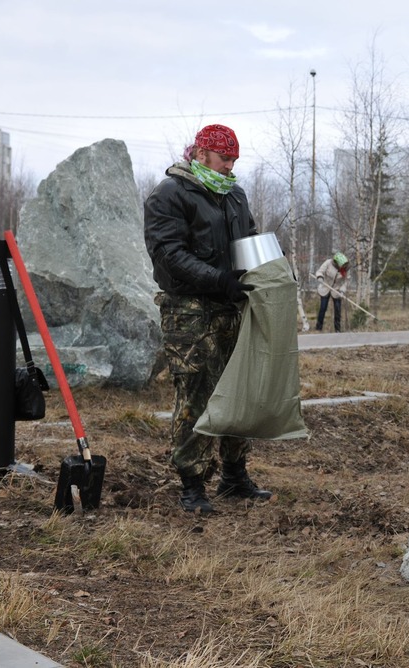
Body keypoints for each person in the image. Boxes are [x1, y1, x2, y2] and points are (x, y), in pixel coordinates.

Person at [144, 123, 273, 513]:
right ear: (201, 155)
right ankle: (192, 485)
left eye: (234, 159)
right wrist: (219, 279)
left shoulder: (233, 195)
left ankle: (235, 476)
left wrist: (267, 274)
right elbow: (170, 255)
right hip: (189, 311)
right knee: (196, 396)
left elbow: (248, 240)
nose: (230, 167)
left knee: (238, 391)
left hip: (232, 306)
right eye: (224, 159)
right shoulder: (168, 195)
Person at [314, 252, 349, 332]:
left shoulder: (346, 269)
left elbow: (346, 281)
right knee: (323, 308)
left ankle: (337, 329)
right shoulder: (328, 263)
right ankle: (318, 328)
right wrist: (320, 277)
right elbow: (320, 271)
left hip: (337, 290)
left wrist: (342, 291)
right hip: (325, 287)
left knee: (337, 310)